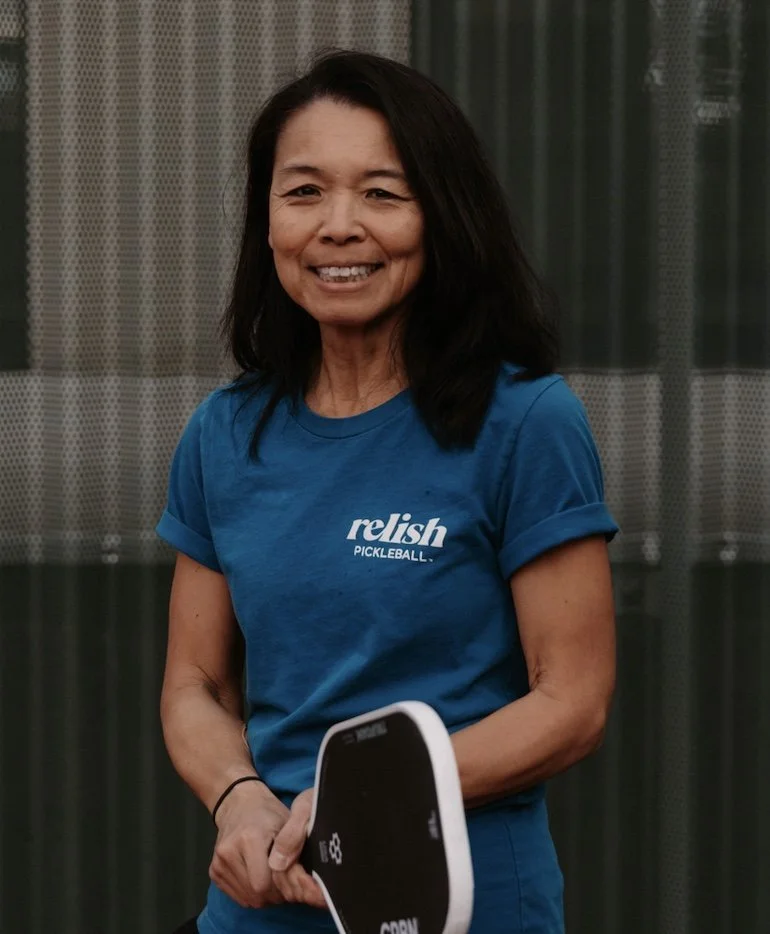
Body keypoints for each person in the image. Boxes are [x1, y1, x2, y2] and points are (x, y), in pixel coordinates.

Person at [157, 49, 618, 934]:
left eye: (382, 193)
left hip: (463, 907)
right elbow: (196, 684)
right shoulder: (223, 433)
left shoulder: (526, 422)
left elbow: (573, 702)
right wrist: (239, 796)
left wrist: (361, 799)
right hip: (262, 908)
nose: (339, 227)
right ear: (267, 222)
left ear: (442, 216)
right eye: (303, 192)